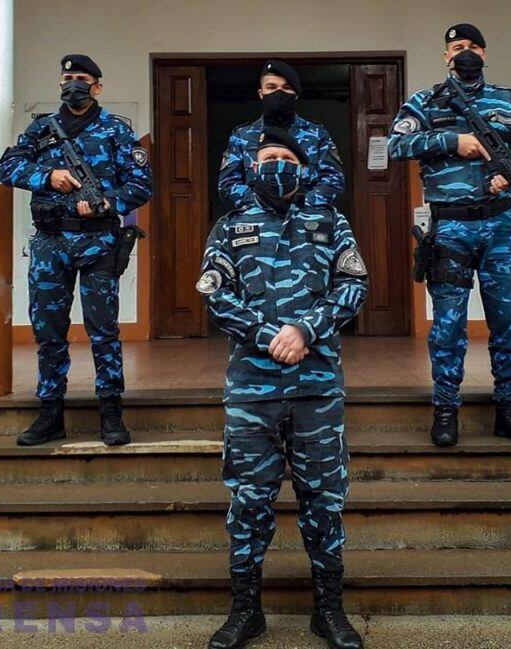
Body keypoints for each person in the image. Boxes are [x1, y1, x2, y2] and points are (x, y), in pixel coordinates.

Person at [199, 127, 367, 649]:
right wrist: (270, 334)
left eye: (286, 157)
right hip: (253, 391)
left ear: (303, 168)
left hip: (317, 389)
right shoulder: (230, 226)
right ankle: (245, 611)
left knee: (323, 501)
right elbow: (214, 293)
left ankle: (329, 611)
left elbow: (354, 285)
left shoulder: (331, 222)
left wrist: (306, 330)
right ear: (252, 168)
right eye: (267, 156)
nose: (277, 164)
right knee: (249, 502)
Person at [388, 24, 511, 447]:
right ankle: (445, 411)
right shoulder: (424, 102)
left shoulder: (509, 102)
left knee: (510, 325)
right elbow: (395, 147)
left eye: (473, 46)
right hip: (449, 229)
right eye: (457, 47)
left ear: (484, 52)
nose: (465, 53)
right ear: (446, 56)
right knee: (447, 328)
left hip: (499, 227)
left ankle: (509, 410)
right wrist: (452, 140)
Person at [0, 54, 153, 447]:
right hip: (50, 242)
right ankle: (50, 414)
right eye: (67, 78)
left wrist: (107, 204)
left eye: (82, 79)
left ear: (97, 87)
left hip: (98, 241)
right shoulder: (40, 130)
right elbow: (7, 167)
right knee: (48, 332)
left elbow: (141, 185)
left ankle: (111, 414)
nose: (74, 85)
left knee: (103, 331)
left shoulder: (117, 131)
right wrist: (46, 176)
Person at [218, 59, 345, 212]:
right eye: (271, 87)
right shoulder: (242, 136)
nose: (279, 93)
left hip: (306, 220)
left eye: (286, 87)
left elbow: (333, 180)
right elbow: (227, 183)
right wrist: (257, 207)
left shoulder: (316, 134)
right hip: (256, 221)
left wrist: (304, 206)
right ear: (261, 93)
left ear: (296, 94)